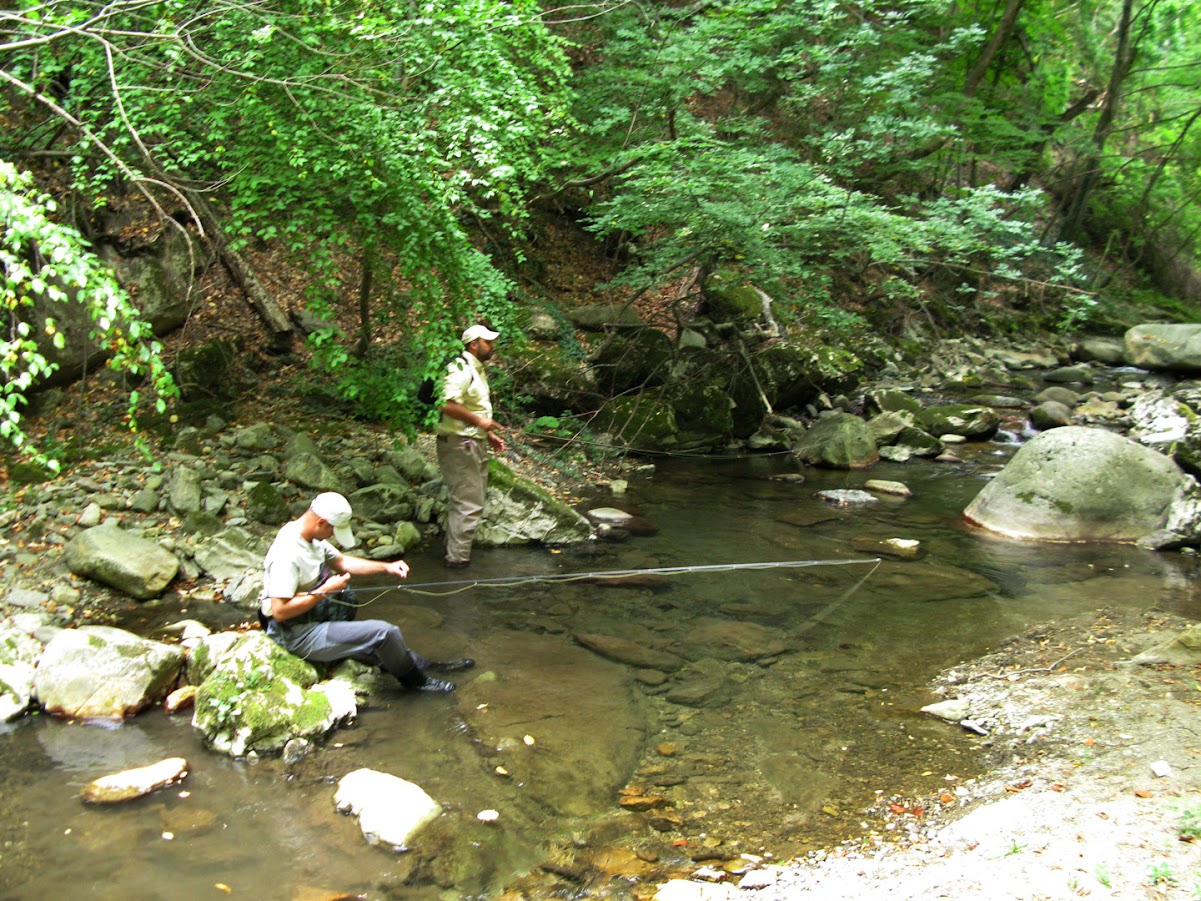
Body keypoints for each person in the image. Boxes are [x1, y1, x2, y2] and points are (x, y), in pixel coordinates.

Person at [259, 492, 473, 692]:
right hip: (295, 635)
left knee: (377, 642)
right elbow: (280, 611)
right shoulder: (287, 553)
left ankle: (428, 665)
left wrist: (386, 567)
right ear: (321, 522)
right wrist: (325, 591)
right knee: (384, 633)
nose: (333, 535)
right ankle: (419, 683)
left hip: (313, 620)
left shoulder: (311, 537)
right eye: (332, 530)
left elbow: (342, 562)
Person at [436, 323, 507, 567]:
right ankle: (456, 563)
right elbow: (445, 404)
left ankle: (454, 554)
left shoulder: (476, 369)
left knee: (467, 500)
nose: (492, 346)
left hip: (469, 440)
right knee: (468, 503)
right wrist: (479, 421)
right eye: (488, 342)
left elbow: (472, 407)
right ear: (474, 344)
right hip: (459, 444)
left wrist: (487, 434)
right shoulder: (461, 368)